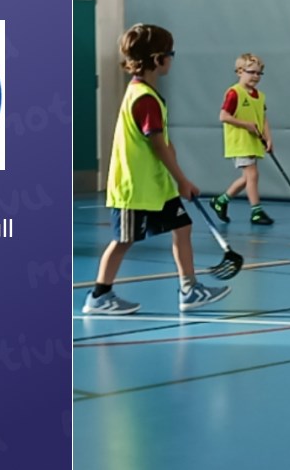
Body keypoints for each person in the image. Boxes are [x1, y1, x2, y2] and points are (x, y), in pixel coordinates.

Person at [82, 23, 232, 315]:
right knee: (124, 240)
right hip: (134, 187)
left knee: (183, 227)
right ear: (158, 59)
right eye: (170, 54)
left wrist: (177, 176)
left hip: (156, 186)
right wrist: (182, 180)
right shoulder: (144, 99)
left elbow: (164, 142)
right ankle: (99, 296)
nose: (172, 60)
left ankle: (189, 289)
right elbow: (158, 146)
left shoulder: (148, 94)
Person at [211, 53, 275, 225]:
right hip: (240, 142)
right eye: (251, 72)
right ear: (239, 71)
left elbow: (263, 118)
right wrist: (246, 125)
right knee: (253, 174)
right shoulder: (234, 93)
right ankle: (256, 211)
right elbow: (224, 116)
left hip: (254, 142)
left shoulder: (260, 96)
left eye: (259, 73)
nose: (256, 76)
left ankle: (221, 201)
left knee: (248, 178)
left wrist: (269, 138)